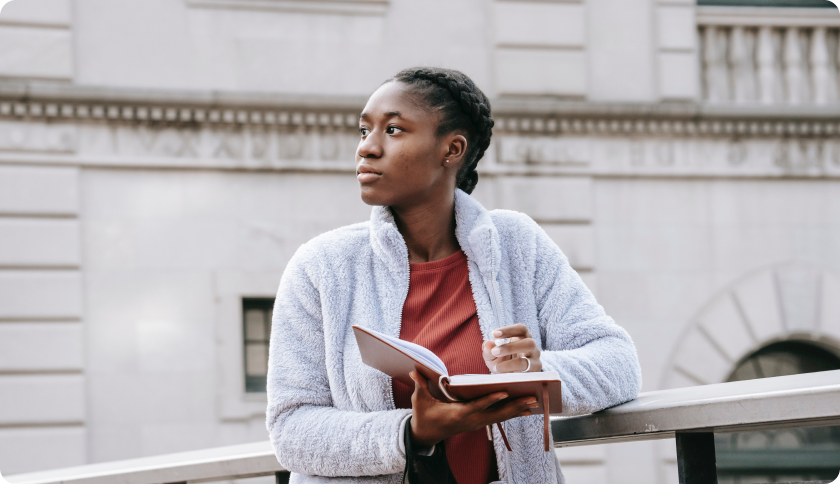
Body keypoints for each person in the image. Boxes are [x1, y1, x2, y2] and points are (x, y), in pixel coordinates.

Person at [266, 67, 642, 484]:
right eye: (363, 130)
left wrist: (537, 370)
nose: (367, 149)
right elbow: (291, 428)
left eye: (392, 130)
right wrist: (411, 432)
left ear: (452, 149)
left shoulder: (516, 244)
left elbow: (619, 364)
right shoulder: (322, 267)